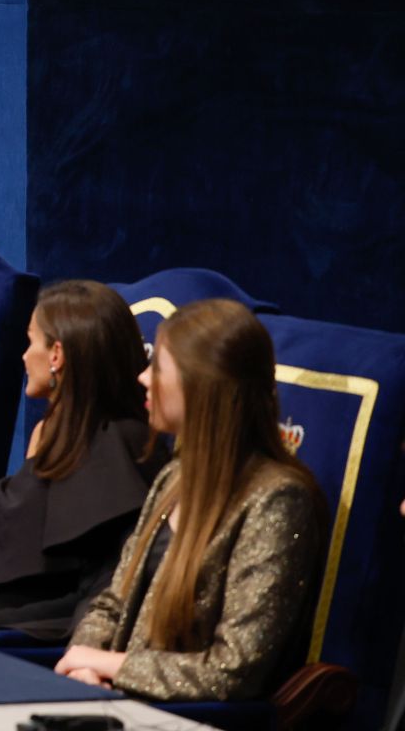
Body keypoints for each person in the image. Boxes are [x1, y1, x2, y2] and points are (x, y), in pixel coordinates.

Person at [57, 298, 324, 701]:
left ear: (203, 386)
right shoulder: (175, 475)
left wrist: (112, 666)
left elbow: (233, 670)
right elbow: (112, 602)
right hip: (112, 700)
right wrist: (86, 664)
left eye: (159, 368)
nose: (143, 378)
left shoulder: (278, 500)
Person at [0, 280, 159, 641]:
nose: (24, 356)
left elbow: (98, 593)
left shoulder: (119, 449)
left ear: (56, 355)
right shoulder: (48, 432)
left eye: (31, 340)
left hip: (27, 647)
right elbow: (14, 545)